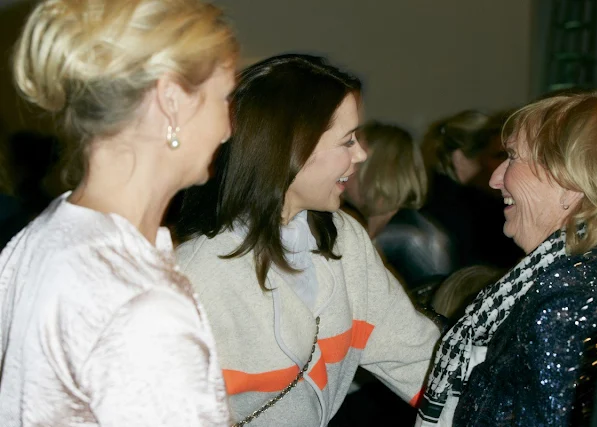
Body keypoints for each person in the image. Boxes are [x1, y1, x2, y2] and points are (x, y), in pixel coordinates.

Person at [0, 1, 237, 425]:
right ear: (172, 101)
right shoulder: (141, 306)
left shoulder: (36, 241)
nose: (229, 128)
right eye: (224, 98)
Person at [176, 54, 441, 427]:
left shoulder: (344, 237)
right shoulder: (194, 275)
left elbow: (415, 356)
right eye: (348, 141)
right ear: (291, 148)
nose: (361, 154)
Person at [417, 92, 597, 427]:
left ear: (569, 183)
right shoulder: (572, 275)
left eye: (513, 158)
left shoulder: (563, 302)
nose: (494, 179)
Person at [342, 120, 447, 290]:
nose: (343, 169)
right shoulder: (385, 229)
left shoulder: (411, 238)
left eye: (354, 159)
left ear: (376, 168)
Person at [420, 110, 524, 272]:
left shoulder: (426, 199)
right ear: (459, 158)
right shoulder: (480, 210)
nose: (501, 171)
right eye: (500, 155)